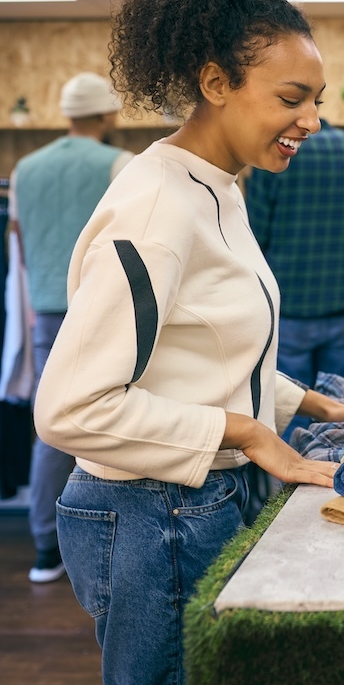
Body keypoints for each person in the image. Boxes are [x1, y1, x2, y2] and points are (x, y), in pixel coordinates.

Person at [33, 0, 344, 684]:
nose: (313, 119)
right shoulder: (157, 206)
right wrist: (249, 430)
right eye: (292, 98)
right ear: (216, 82)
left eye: (317, 98)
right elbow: (68, 409)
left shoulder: (220, 186)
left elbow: (202, 349)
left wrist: (304, 400)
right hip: (151, 517)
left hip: (192, 504)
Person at [10, 72, 134, 583]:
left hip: (44, 309)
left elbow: (17, 237)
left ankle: (45, 548)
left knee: (52, 423)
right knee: (114, 417)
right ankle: (111, 541)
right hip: (103, 311)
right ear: (105, 115)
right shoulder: (119, 164)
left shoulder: (24, 169)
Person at [244, 116, 344, 391]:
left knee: (290, 412)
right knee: (341, 412)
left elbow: (251, 235)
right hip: (342, 307)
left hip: (289, 310)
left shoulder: (275, 154)